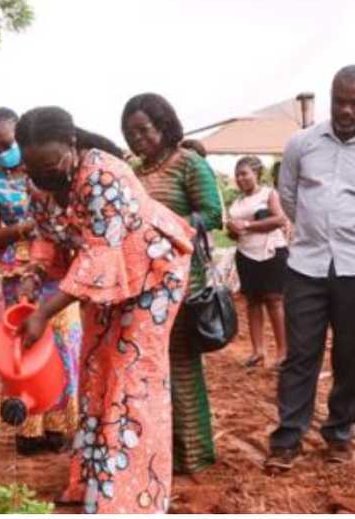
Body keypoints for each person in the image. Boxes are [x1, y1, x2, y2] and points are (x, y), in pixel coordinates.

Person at [15, 106, 194, 513]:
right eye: (34, 166)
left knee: (133, 377)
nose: (44, 174)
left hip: (152, 273)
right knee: (96, 370)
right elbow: (46, 235)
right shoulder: (39, 181)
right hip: (101, 280)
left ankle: (133, 498)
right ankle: (93, 483)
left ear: (73, 145)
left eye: (52, 163)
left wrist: (43, 312)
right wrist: (34, 272)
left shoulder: (103, 173)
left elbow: (99, 257)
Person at [266, 65, 355, 471]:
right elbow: (289, 198)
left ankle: (340, 434)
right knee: (300, 354)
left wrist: (348, 235)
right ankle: (288, 437)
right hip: (306, 264)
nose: (346, 110)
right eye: (340, 101)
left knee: (352, 355)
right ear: (331, 97)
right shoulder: (301, 144)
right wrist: (316, 232)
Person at [123, 92, 223, 475]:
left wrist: (164, 227)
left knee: (181, 366)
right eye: (130, 133)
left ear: (163, 126)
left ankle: (192, 455)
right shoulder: (133, 170)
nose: (137, 139)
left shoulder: (188, 163)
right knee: (146, 370)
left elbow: (212, 213)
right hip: (139, 284)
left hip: (180, 282)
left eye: (143, 130)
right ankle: (155, 452)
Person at [0, 107, 82, 455]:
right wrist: (21, 230)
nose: (3, 150)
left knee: (64, 346)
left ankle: (62, 426)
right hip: (17, 277)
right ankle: (28, 427)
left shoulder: (53, 172)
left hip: (59, 272)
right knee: (23, 348)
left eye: (7, 143)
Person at [226, 156, 288, 369]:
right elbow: (235, 234)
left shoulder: (269, 194)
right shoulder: (235, 203)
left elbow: (280, 219)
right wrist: (233, 230)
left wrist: (246, 225)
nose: (240, 178)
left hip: (271, 251)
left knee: (275, 300)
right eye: (237, 174)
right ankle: (257, 351)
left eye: (244, 173)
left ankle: (283, 352)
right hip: (246, 253)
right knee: (252, 301)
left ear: (256, 174)